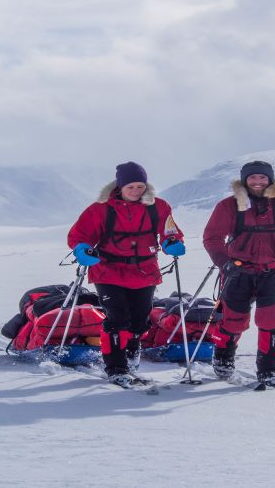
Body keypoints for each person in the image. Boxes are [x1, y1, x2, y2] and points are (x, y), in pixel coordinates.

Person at [202, 160, 275, 386]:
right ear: (244, 181)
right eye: (253, 178)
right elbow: (212, 238)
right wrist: (224, 262)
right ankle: (223, 357)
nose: (257, 182)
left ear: (270, 180)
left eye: (262, 178)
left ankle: (268, 370)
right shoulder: (228, 206)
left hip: (274, 271)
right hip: (238, 271)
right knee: (234, 321)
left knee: (270, 320)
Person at [68, 161, 185, 386]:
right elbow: (79, 235)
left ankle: (131, 356)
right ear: (120, 186)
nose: (136, 191)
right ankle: (115, 367)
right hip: (108, 271)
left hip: (145, 271)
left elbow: (170, 231)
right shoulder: (100, 208)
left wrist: (173, 242)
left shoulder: (158, 207)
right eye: (130, 186)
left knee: (140, 320)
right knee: (117, 318)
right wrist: (82, 249)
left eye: (140, 186)